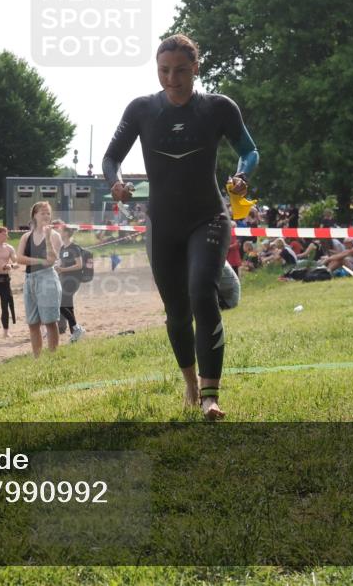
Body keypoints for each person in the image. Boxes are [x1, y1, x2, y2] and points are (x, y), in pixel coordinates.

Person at [102, 34, 258, 420]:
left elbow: (249, 150)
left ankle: (210, 394)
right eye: (164, 70)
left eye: (181, 71)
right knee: (176, 311)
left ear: (196, 69)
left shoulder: (218, 108)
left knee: (201, 294)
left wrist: (242, 175)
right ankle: (189, 383)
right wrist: (116, 184)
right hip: (162, 224)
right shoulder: (140, 109)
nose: (172, 78)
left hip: (208, 217)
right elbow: (110, 159)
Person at [15, 201, 63, 357]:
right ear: (34, 215)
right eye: (43, 213)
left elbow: (51, 259)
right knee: (33, 323)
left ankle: (53, 356)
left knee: (50, 321)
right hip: (30, 279)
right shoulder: (26, 237)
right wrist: (39, 261)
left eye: (48, 213)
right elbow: (19, 258)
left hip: (47, 279)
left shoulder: (54, 235)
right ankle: (37, 358)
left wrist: (48, 238)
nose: (46, 216)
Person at [54, 220, 86, 343]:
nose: (58, 232)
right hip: (63, 278)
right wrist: (57, 268)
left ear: (66, 233)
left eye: (60, 230)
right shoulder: (62, 248)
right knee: (67, 305)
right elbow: (60, 263)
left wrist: (63, 269)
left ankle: (76, 328)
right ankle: (75, 331)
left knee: (61, 304)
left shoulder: (75, 247)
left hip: (73, 279)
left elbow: (79, 265)